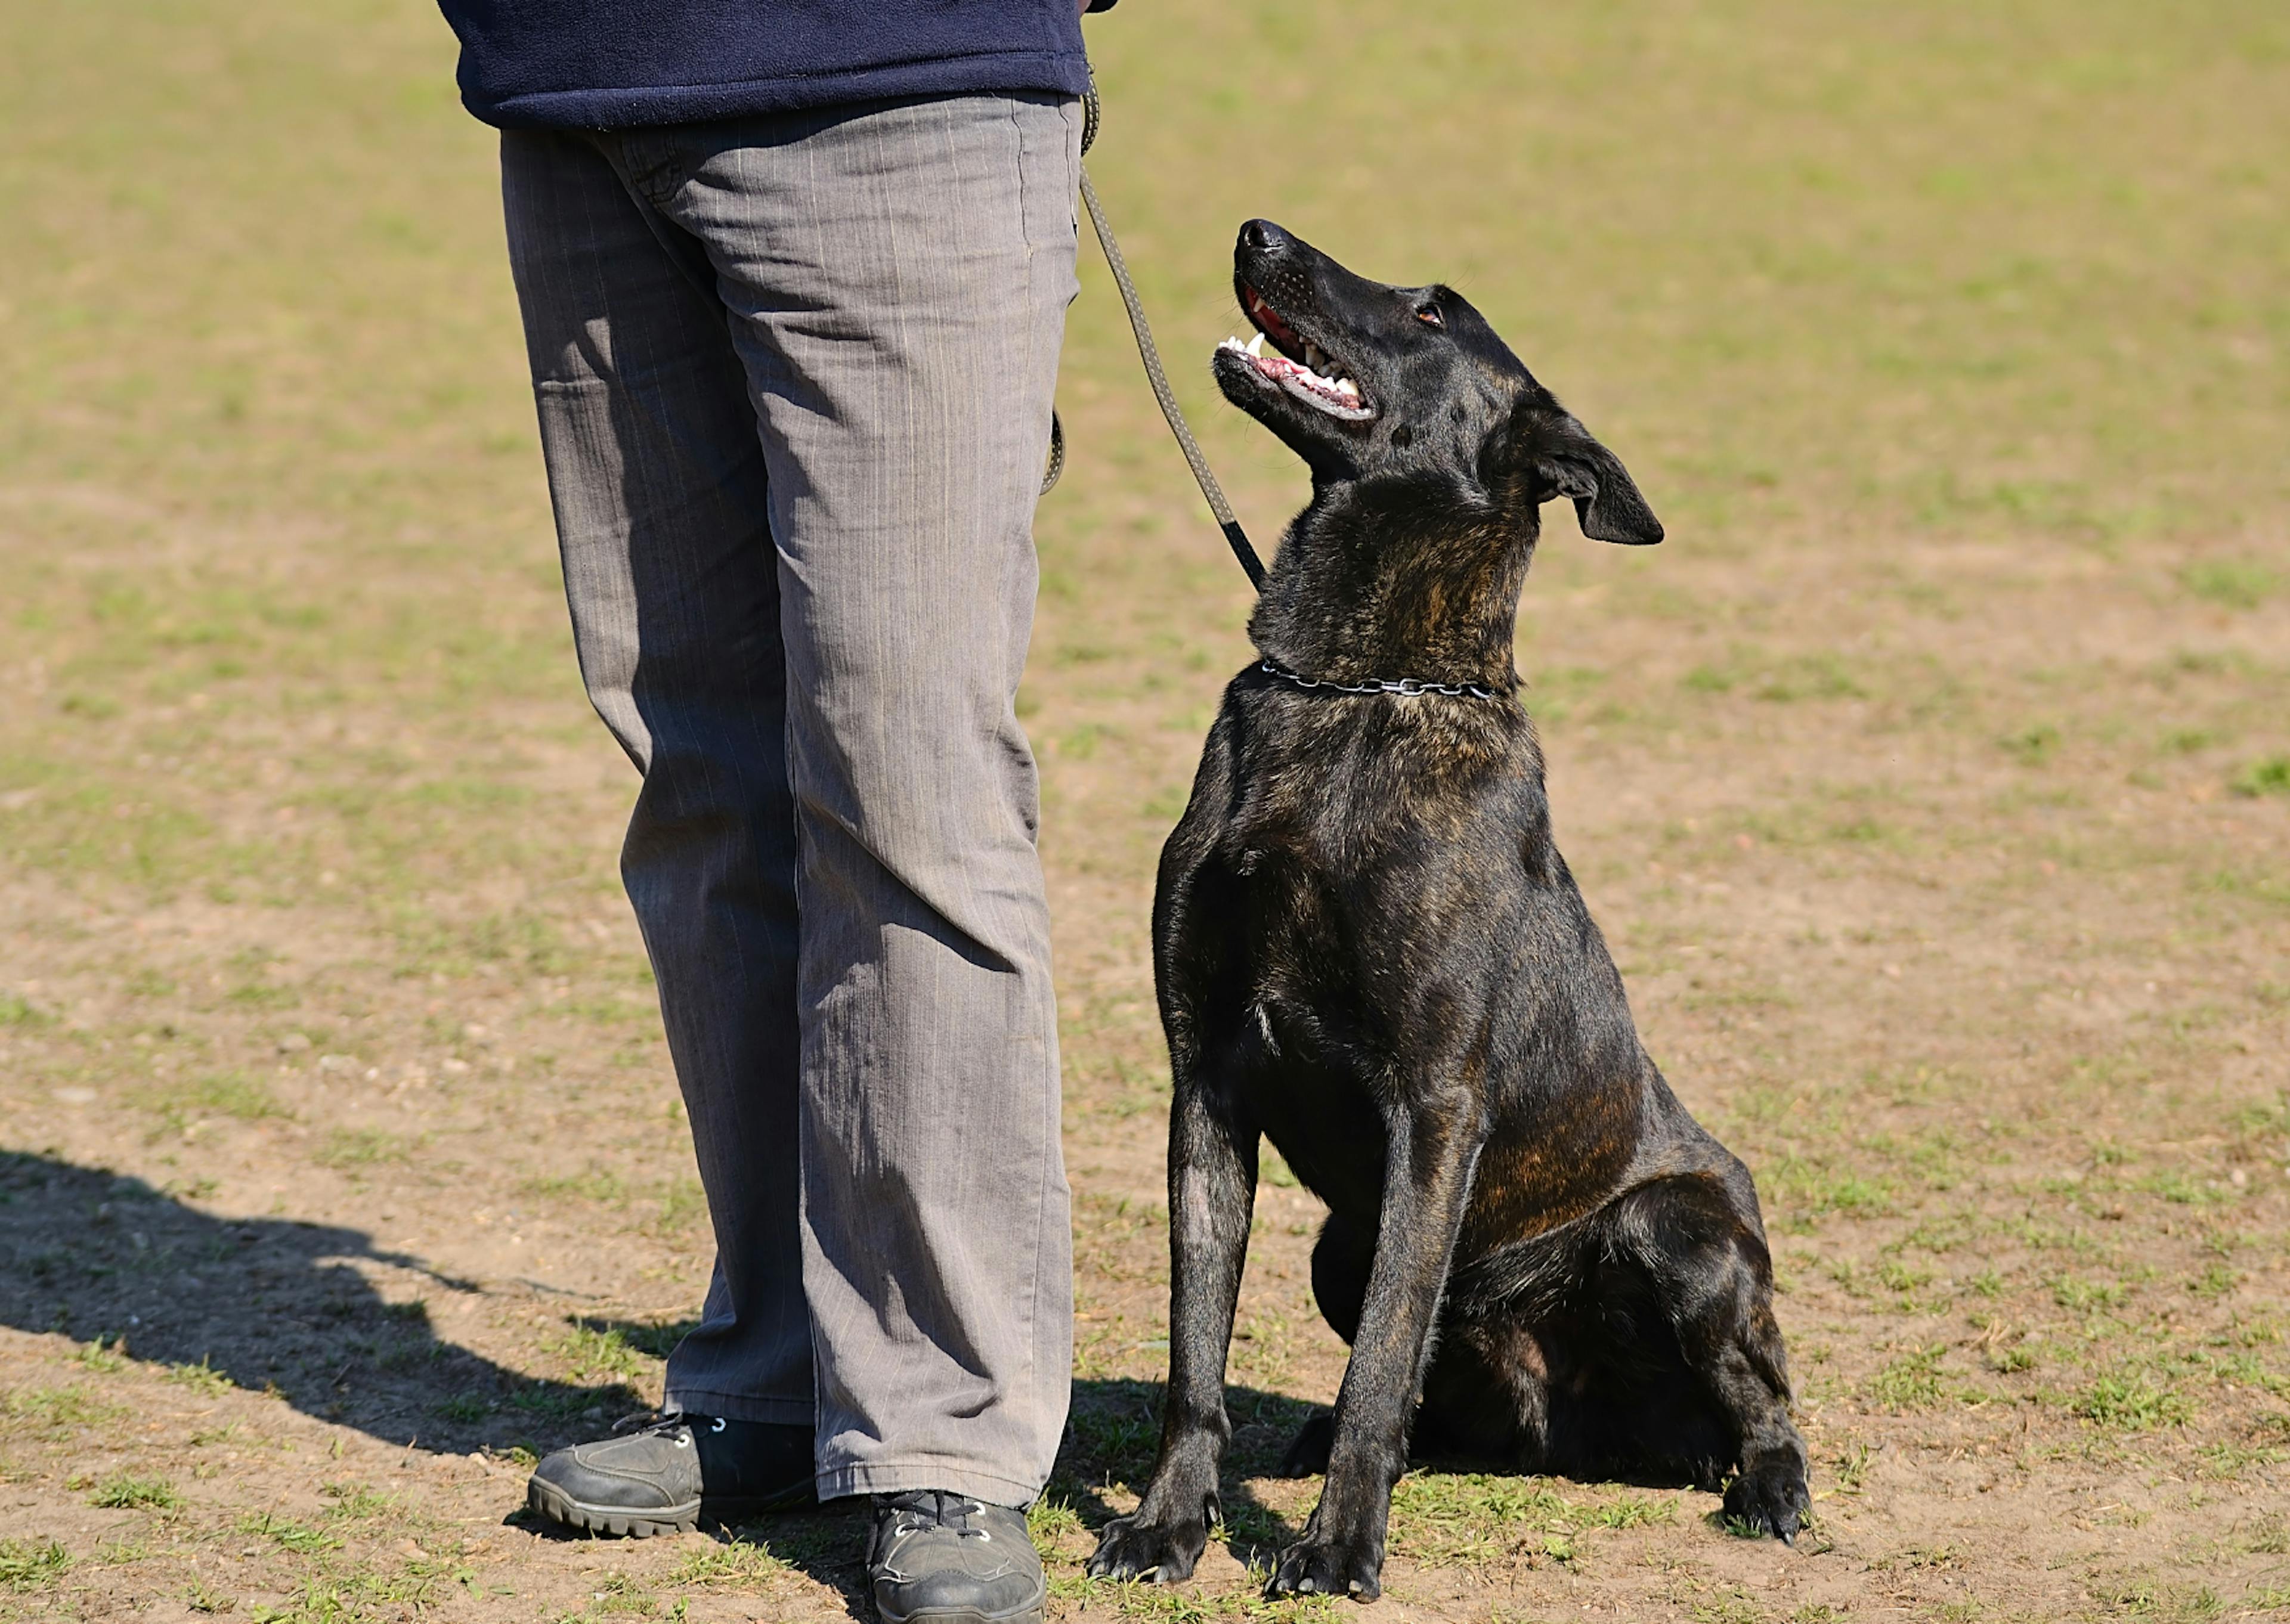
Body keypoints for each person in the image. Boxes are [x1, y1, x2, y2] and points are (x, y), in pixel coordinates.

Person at [428, 4, 1116, 1620]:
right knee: (702, 779)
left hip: (904, 88)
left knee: (907, 787)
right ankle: (783, 1366)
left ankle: (944, 1424)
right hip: (579, 94)